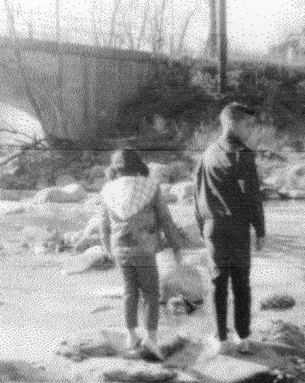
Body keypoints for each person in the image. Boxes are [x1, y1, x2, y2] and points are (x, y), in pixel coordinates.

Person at [193, 102, 266, 355]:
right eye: (246, 125)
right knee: (241, 284)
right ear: (232, 124)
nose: (249, 130)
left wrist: (202, 226)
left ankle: (222, 339)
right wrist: (260, 229)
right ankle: (243, 338)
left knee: (218, 284)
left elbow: (197, 193)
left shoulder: (207, 153)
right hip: (238, 227)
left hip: (214, 227)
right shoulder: (244, 155)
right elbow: (253, 196)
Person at [99, 148, 183, 360]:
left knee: (129, 292)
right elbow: (165, 219)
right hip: (144, 249)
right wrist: (176, 247)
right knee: (151, 293)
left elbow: (104, 226)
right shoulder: (150, 187)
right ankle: (151, 338)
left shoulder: (108, 190)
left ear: (115, 169)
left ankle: (131, 335)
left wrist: (108, 249)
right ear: (138, 166)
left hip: (120, 249)